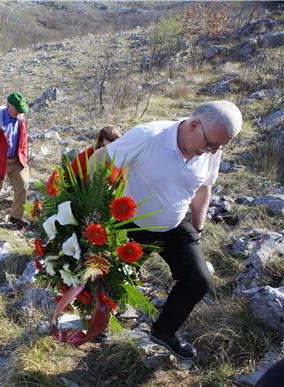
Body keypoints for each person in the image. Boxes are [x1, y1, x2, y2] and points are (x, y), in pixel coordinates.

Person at [88, 100, 243, 360]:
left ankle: (164, 331)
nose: (214, 151)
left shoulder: (211, 148)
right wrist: (95, 207)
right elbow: (100, 159)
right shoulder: (148, 136)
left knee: (198, 280)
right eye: (210, 144)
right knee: (115, 281)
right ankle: (98, 324)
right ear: (194, 125)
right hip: (133, 225)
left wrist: (198, 228)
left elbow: (204, 188)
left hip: (175, 224)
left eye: (220, 146)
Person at [0, 92, 30, 229]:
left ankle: (16, 217)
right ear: (9, 106)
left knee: (23, 184)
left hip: (16, 158)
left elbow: (23, 138)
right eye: (17, 109)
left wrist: (23, 156)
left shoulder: (20, 117)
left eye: (22, 109)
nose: (20, 112)